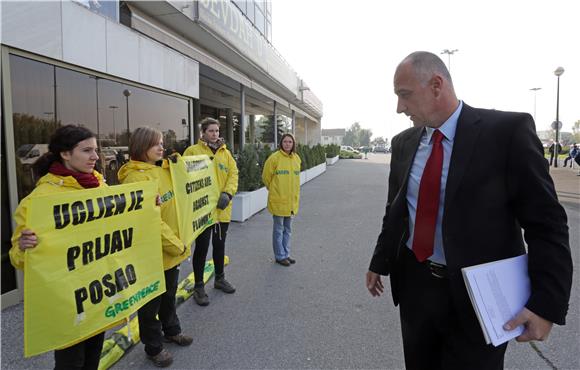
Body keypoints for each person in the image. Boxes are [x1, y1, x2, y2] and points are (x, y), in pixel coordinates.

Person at [366, 51, 572, 370]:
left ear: (436, 85)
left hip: (478, 300)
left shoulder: (506, 133)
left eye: (404, 95)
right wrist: (379, 261)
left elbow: (547, 223)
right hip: (416, 292)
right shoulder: (403, 143)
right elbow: (396, 210)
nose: (399, 107)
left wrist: (546, 305)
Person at [9, 125, 106, 370]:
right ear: (65, 154)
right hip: (66, 300)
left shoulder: (99, 186)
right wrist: (23, 246)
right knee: (71, 362)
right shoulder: (39, 200)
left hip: (98, 291)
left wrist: (148, 206)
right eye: (86, 151)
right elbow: (17, 260)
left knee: (94, 355)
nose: (95, 157)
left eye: (95, 150)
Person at [118, 127, 193, 368]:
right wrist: (176, 245)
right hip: (153, 253)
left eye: (162, 143)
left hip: (170, 249)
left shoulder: (159, 168)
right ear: (141, 147)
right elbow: (150, 222)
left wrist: (177, 162)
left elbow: (184, 183)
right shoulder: (136, 178)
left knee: (169, 295)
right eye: (155, 144)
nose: (162, 148)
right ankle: (154, 347)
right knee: (150, 304)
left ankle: (172, 330)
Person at [183, 118, 239, 306]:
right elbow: (185, 177)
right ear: (203, 133)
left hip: (222, 209)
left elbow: (233, 174)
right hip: (203, 211)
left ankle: (219, 279)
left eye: (216, 131)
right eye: (211, 131)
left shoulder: (226, 154)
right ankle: (199, 286)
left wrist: (228, 193)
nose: (215, 134)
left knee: (220, 245)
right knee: (201, 247)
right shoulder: (193, 152)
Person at [261, 133, 301, 266]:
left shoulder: (296, 159)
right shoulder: (274, 158)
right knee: (279, 229)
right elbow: (266, 177)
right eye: (285, 142)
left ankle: (286, 254)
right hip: (279, 200)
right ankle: (279, 256)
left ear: (293, 144)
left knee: (288, 229)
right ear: (281, 143)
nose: (288, 144)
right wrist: (274, 190)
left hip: (291, 202)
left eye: (290, 142)